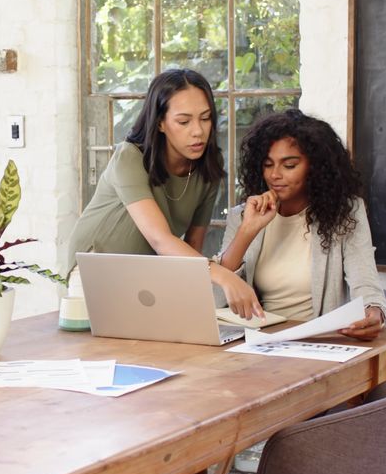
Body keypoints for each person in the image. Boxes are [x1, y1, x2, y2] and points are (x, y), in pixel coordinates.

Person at [65, 68, 262, 321]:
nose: (198, 131)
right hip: (94, 269)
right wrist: (225, 278)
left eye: (205, 118)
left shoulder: (207, 167)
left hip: (147, 277)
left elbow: (192, 247)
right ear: (160, 122)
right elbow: (160, 239)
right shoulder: (129, 157)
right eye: (184, 121)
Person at [216, 108, 386, 340]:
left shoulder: (344, 213)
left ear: (315, 167)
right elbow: (215, 299)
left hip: (315, 342)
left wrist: (373, 312)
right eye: (268, 164)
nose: (275, 175)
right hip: (253, 343)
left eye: (289, 165)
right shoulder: (244, 215)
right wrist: (247, 231)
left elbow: (366, 285)